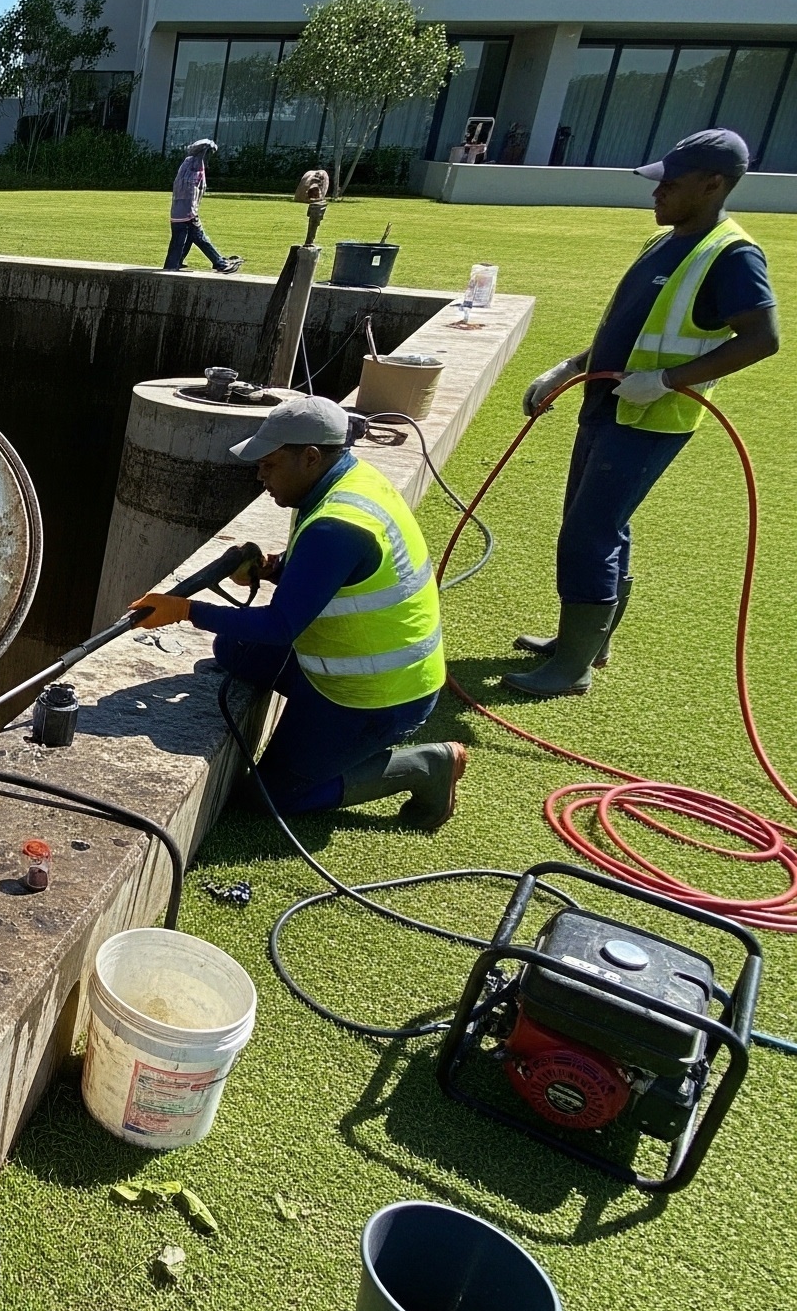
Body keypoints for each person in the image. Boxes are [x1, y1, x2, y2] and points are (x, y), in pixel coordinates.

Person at [509, 127, 780, 696]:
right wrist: (568, 367)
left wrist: (666, 381)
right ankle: (587, 641)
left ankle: (572, 667)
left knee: (589, 534)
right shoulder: (668, 239)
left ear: (713, 185)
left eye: (671, 185)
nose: (656, 194)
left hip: (651, 419)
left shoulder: (732, 255)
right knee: (600, 526)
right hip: (606, 407)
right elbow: (626, 327)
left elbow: (762, 339)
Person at [130, 395, 464, 826]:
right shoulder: (346, 479)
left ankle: (425, 766)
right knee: (234, 649)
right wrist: (274, 569)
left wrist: (186, 610)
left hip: (373, 695)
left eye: (269, 465)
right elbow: (333, 573)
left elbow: (280, 625)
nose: (260, 476)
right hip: (338, 659)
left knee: (269, 797)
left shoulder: (336, 525)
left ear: (309, 457)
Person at [164, 138, 242, 275]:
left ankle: (173, 262)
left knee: (183, 238)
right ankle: (220, 263)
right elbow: (192, 193)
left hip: (177, 213)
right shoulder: (195, 170)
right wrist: (193, 213)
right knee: (200, 238)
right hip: (188, 214)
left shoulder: (185, 166)